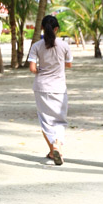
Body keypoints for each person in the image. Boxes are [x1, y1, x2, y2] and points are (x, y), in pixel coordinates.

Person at [27, 15, 73, 166]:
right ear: (56, 29)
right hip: (59, 87)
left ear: (41, 28)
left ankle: (53, 149)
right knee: (59, 120)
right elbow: (69, 65)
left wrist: (41, 69)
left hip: (41, 87)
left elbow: (32, 68)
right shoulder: (64, 45)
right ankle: (57, 146)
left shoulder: (36, 46)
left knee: (45, 120)